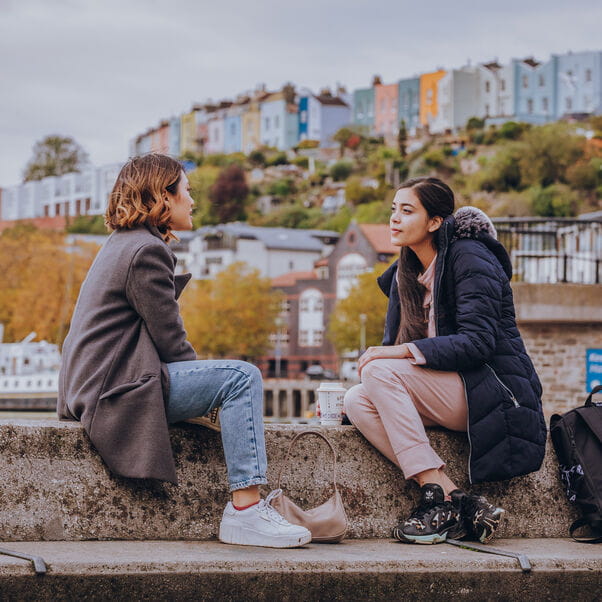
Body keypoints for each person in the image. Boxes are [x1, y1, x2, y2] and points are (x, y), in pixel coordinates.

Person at [58, 153, 311, 549]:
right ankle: (245, 511)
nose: (192, 201)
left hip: (97, 387)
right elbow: (172, 343)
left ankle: (247, 510)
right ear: (163, 196)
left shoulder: (122, 244)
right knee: (240, 377)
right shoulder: (146, 251)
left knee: (229, 381)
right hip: (116, 394)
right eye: (187, 191)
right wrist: (207, 397)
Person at [343, 177, 546, 545]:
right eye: (393, 210)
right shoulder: (404, 271)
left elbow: (479, 343)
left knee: (377, 367)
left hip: (493, 394)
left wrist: (397, 353)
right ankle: (452, 497)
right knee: (357, 400)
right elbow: (392, 358)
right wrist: (391, 361)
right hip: (450, 390)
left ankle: (439, 503)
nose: (395, 219)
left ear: (435, 222)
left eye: (407, 211)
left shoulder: (470, 257)